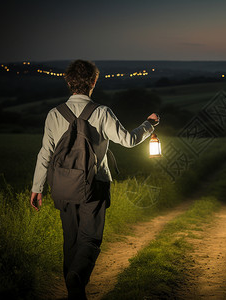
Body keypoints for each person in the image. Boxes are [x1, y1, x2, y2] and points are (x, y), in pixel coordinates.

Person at [30, 59, 159, 299]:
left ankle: (74, 293)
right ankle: (77, 276)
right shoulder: (101, 112)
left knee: (70, 240)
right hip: (95, 185)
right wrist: (148, 125)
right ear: (94, 82)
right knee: (89, 239)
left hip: (62, 186)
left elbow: (45, 153)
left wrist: (36, 188)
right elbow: (129, 141)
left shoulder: (53, 115)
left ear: (69, 82)